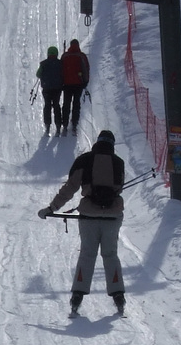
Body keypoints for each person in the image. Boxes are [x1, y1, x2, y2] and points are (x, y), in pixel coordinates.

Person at [39, 130, 126, 315]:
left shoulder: (85, 160)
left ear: (97, 142)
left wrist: (52, 207)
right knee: (111, 255)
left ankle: (77, 296)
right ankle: (118, 296)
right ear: (112, 144)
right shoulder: (119, 162)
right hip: (112, 217)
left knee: (87, 254)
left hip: (89, 217)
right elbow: (118, 187)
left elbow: (70, 188)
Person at [59, 37, 89, 131]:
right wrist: (85, 82)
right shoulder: (82, 56)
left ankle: (64, 122)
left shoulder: (65, 56)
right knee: (76, 103)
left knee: (66, 103)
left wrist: (61, 82)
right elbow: (86, 69)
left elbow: (60, 70)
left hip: (66, 84)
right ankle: (74, 123)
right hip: (78, 84)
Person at [35, 45, 64, 132]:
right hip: (57, 88)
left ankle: (47, 125)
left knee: (47, 106)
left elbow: (38, 74)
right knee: (56, 105)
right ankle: (58, 125)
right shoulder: (60, 63)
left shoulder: (43, 63)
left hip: (47, 88)